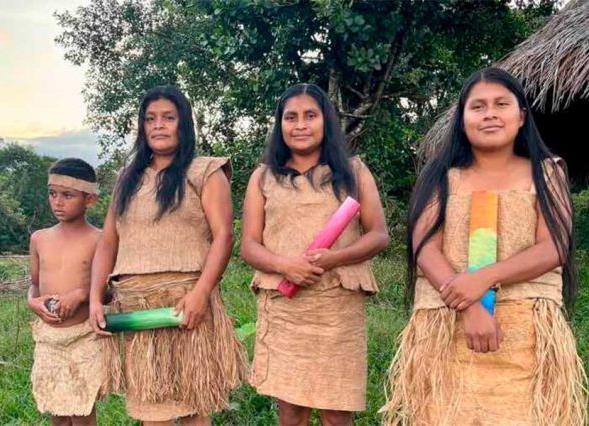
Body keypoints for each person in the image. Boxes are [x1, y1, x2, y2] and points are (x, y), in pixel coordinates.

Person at [380, 67, 587, 425]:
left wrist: (484, 278)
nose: (490, 113)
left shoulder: (547, 171)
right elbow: (425, 246)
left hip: (527, 333)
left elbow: (553, 246)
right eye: (477, 107)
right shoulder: (440, 176)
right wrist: (471, 305)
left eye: (501, 104)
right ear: (462, 120)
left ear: (521, 116)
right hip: (444, 329)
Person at [89, 85, 248, 425]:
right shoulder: (127, 178)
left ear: (184, 124)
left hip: (186, 302)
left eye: (168, 117)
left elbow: (224, 236)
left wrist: (201, 294)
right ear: (142, 127)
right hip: (135, 307)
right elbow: (107, 242)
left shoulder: (205, 170)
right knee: (152, 411)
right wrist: (93, 298)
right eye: (150, 119)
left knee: (193, 407)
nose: (158, 125)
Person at [240, 83, 389, 426]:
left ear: (326, 122)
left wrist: (333, 258)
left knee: (336, 409)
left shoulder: (353, 171)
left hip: (337, 307)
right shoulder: (263, 177)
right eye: (290, 117)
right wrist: (285, 265)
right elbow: (249, 245)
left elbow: (379, 235)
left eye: (310, 115)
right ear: (280, 126)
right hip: (285, 306)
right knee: (291, 408)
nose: (300, 125)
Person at [28, 158, 104, 426]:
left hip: (84, 337)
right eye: (52, 194)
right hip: (49, 339)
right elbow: (34, 284)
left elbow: (109, 293)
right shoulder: (39, 239)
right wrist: (33, 303)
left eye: (67, 195)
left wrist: (82, 294)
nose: (57, 202)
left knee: (82, 412)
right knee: (57, 411)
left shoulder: (100, 240)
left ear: (90, 199)